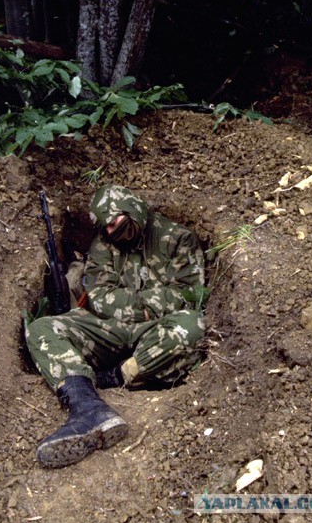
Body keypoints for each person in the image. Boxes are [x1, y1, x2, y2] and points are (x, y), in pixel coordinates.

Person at [26, 184, 206, 468]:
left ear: (131, 209)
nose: (111, 232)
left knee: (191, 327)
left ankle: (113, 376)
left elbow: (187, 297)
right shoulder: (102, 244)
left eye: (114, 223)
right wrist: (150, 301)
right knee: (41, 329)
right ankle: (87, 407)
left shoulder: (178, 239)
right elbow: (99, 298)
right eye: (105, 227)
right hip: (108, 328)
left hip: (156, 330)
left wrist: (127, 302)